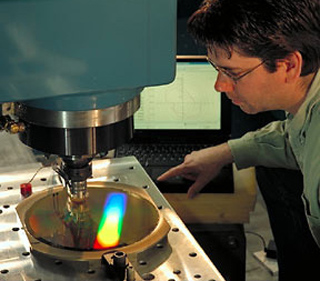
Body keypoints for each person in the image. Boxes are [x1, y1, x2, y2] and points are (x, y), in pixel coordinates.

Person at [157, 0, 320, 280]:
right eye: (216, 68)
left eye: (232, 73)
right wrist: (225, 152)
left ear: (289, 65)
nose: (220, 86)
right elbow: (295, 138)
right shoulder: (307, 106)